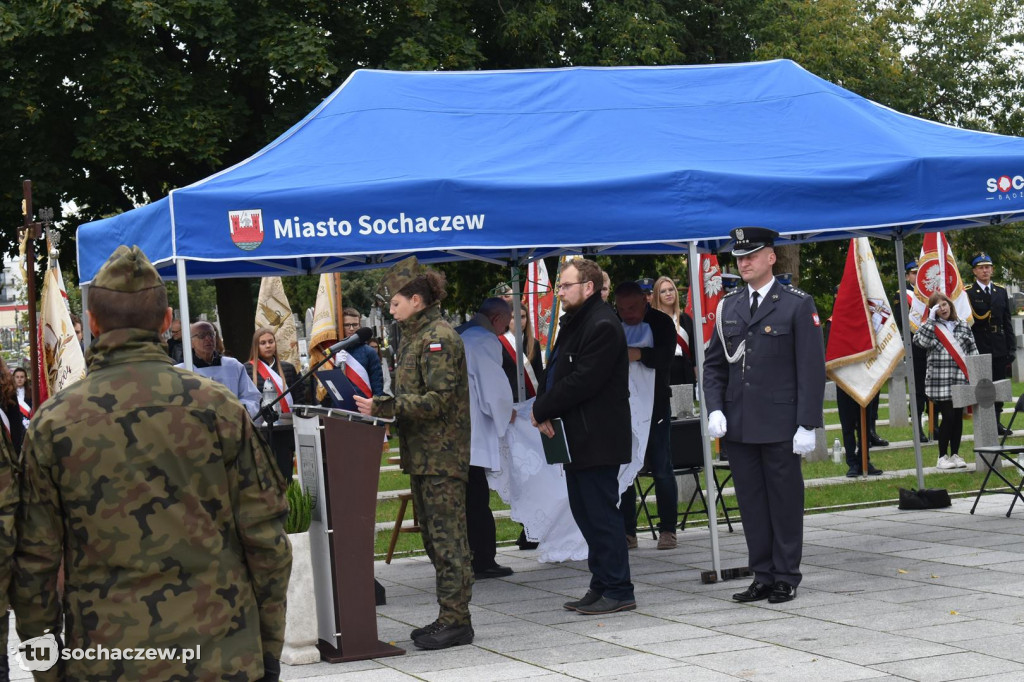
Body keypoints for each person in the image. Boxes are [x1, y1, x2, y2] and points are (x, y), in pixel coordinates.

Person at [11, 245, 291, 681]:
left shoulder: (54, 424)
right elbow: (267, 542)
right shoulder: (219, 408)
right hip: (221, 654)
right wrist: (267, 652)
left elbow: (34, 569)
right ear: (166, 323)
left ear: (92, 324)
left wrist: (45, 671)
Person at [353, 256, 474, 651]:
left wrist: (384, 408)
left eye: (396, 300)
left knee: (448, 539)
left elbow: (437, 401)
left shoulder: (438, 338)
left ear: (417, 300)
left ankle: (457, 620)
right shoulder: (413, 337)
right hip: (424, 457)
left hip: (441, 457)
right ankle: (449, 615)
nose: (390, 307)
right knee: (435, 541)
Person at [703, 226, 826, 604]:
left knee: (785, 502)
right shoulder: (730, 305)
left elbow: (810, 368)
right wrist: (716, 408)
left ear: (771, 257)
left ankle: (786, 574)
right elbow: (714, 366)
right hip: (739, 425)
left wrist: (807, 423)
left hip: (780, 425)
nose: (743, 262)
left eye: (751, 256)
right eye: (739, 257)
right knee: (752, 504)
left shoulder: (796, 304)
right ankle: (762, 573)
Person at [531, 258, 635, 615]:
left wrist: (543, 407)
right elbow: (555, 369)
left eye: (565, 286)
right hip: (578, 437)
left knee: (601, 514)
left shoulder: (602, 323)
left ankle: (619, 588)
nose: (559, 292)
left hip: (598, 437)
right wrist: (543, 405)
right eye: (558, 286)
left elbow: (584, 380)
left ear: (587, 288)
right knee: (585, 513)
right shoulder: (577, 321)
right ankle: (602, 582)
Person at [614, 281, 678, 549]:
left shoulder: (662, 323)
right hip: (621, 407)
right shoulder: (611, 324)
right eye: (622, 308)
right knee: (625, 470)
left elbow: (666, 358)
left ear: (645, 300)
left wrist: (639, 354)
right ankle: (628, 531)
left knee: (662, 468)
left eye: (632, 307)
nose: (627, 314)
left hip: (656, 406)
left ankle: (668, 530)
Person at [456, 298, 516, 579]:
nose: (507, 328)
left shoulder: (462, 333)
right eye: (506, 322)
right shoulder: (484, 340)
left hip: (457, 429)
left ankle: (470, 557)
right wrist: (508, 412)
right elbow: (494, 388)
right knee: (477, 499)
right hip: (474, 429)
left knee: (468, 498)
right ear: (496, 318)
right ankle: (483, 560)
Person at [914, 292, 978, 470]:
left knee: (957, 418)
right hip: (939, 382)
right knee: (948, 417)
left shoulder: (963, 325)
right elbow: (920, 342)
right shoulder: (931, 327)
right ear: (933, 310)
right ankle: (942, 456)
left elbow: (973, 351)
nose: (943, 309)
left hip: (960, 379)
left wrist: (977, 376)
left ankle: (955, 454)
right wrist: (931, 320)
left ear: (950, 305)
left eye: (944, 304)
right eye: (938, 306)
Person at [965, 253, 1016, 436]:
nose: (985, 270)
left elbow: (1006, 321)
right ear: (974, 271)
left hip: (999, 345)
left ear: (992, 269)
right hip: (979, 345)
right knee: (983, 386)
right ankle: (985, 422)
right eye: (981, 267)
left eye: (988, 267)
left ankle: (997, 421)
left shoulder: (1000, 291)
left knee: (998, 385)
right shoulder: (968, 292)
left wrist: (1011, 346)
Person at [245, 327, 308, 477]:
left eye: (270, 342)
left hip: (285, 430)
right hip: (260, 431)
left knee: (285, 472)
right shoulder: (246, 369)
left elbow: (299, 396)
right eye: (263, 343)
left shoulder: (288, 368)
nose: (268, 346)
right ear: (256, 346)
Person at [181, 320, 262, 417]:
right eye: (202, 335)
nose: (208, 339)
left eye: (211, 334)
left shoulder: (233, 366)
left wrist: (237, 410)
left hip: (231, 424)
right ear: (190, 342)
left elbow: (252, 398)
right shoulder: (181, 370)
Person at [896, 261, 929, 441]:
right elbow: (901, 321)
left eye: (921, 272)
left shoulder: (933, 293)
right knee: (918, 390)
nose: (918, 276)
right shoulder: (902, 295)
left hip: (933, 348)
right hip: (916, 349)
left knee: (936, 390)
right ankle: (918, 429)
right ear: (907, 276)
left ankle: (935, 426)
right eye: (914, 273)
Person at [651, 275, 697, 386]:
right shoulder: (652, 320)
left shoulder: (685, 319)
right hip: (661, 373)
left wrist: (698, 379)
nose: (668, 293)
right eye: (663, 291)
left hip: (684, 372)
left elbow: (693, 352)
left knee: (684, 404)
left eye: (671, 289)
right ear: (657, 295)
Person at [339, 307, 384, 397]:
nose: (351, 329)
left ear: (359, 326)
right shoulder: (335, 351)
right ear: (341, 326)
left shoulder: (369, 352)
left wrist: (375, 406)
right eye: (347, 325)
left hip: (363, 405)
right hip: (340, 406)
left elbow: (377, 385)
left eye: (355, 325)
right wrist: (336, 366)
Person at [12, 367, 31, 432]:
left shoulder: (31, 392)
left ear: (25, 379)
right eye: (17, 377)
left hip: (29, 426)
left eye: (22, 377)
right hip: (15, 426)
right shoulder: (9, 393)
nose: (19, 379)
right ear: (13, 378)